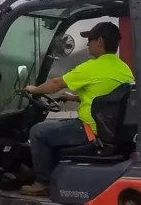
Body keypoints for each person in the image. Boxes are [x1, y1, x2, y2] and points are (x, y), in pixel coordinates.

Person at [19, 21, 134, 196]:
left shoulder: (92, 67)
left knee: (38, 132)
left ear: (100, 42)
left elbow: (56, 83)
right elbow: (107, 97)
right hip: (109, 131)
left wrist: (33, 89)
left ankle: (42, 182)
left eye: (90, 40)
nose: (88, 43)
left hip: (88, 130)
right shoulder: (123, 68)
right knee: (56, 128)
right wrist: (73, 97)